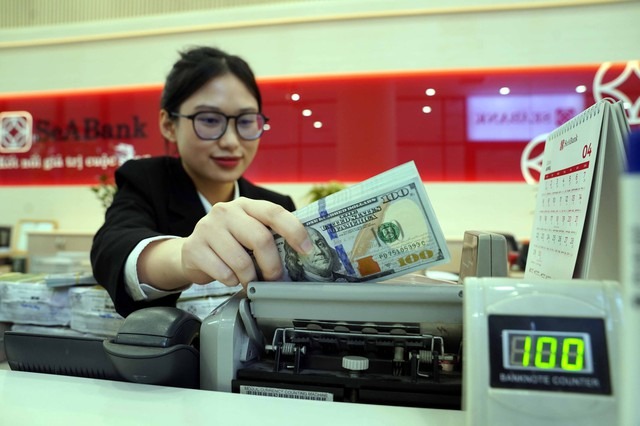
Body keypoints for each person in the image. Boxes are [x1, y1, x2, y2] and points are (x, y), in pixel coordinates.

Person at [91, 46, 313, 317]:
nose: (231, 142)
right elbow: (113, 250)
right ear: (168, 125)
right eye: (209, 120)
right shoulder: (147, 181)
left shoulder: (275, 205)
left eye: (244, 121)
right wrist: (185, 255)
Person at [283, 227, 351, 282]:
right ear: (297, 259)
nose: (319, 251)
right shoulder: (295, 294)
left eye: (321, 244)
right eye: (309, 247)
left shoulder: (353, 282)